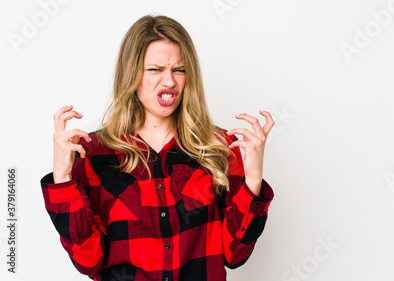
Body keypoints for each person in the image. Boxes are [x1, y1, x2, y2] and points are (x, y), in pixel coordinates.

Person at [40, 14, 275, 281]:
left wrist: (254, 177)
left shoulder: (219, 147)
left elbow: (235, 255)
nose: (169, 82)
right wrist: (61, 177)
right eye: (155, 69)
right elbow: (89, 262)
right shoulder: (93, 153)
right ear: (132, 74)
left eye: (179, 70)